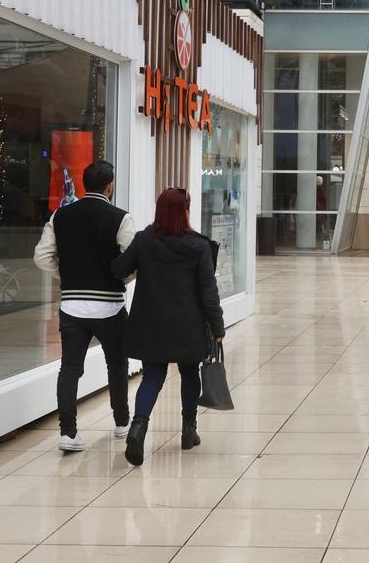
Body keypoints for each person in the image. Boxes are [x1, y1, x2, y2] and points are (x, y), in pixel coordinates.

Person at [112, 188, 226, 466]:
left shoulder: (144, 240)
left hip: (151, 323)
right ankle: (188, 430)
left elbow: (119, 269)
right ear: (185, 212)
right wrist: (217, 326)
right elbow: (208, 291)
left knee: (152, 376)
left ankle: (138, 428)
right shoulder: (198, 245)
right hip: (188, 324)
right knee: (189, 373)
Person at [33, 160, 136, 453]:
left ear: (83, 183)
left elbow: (42, 257)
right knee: (117, 365)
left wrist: (67, 275)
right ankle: (121, 422)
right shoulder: (121, 218)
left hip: (72, 306)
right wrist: (119, 278)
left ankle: (68, 432)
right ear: (110, 186)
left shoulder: (60, 215)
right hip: (111, 307)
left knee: (69, 369)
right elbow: (133, 259)